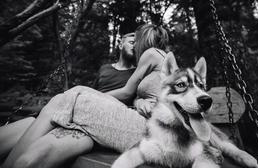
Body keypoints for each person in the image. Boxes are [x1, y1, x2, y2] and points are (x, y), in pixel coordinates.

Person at [1, 23, 169, 168]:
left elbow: (127, 92)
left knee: (70, 95)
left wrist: (85, 94)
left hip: (115, 121)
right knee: (64, 101)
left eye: (136, 41)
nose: (134, 45)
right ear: (120, 44)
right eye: (131, 41)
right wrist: (141, 101)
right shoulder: (112, 68)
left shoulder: (149, 56)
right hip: (96, 115)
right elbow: (151, 92)